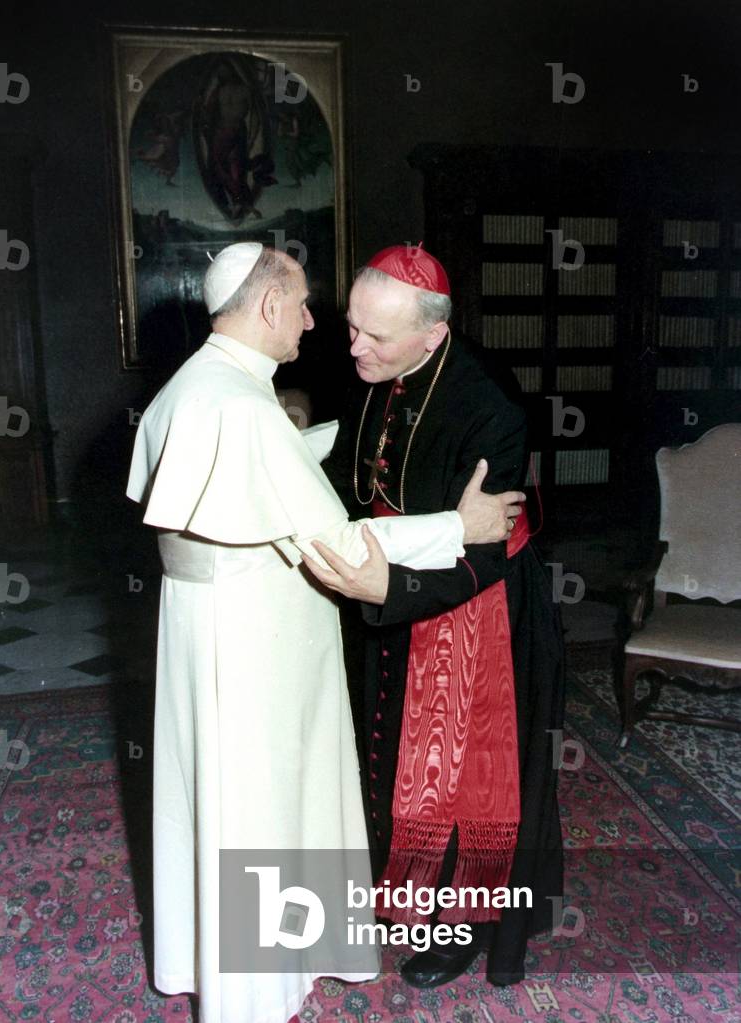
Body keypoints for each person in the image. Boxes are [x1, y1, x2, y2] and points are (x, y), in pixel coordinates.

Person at [126, 242, 525, 1023]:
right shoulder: (243, 410)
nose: (319, 328)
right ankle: (255, 989)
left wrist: (300, 446)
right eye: (309, 308)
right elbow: (336, 542)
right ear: (268, 307)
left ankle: (239, 951)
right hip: (252, 649)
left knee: (223, 803)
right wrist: (460, 523)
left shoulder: (198, 386)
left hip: (217, 634)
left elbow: (263, 486)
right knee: (258, 806)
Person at [307, 243, 565, 989]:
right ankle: (403, 894)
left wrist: (384, 590)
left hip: (474, 612)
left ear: (432, 335)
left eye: (373, 335)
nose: (352, 346)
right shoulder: (373, 368)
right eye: (351, 326)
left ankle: (467, 926)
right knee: (387, 757)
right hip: (389, 583)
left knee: (463, 783)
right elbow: (357, 471)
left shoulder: (490, 408)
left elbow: (485, 550)